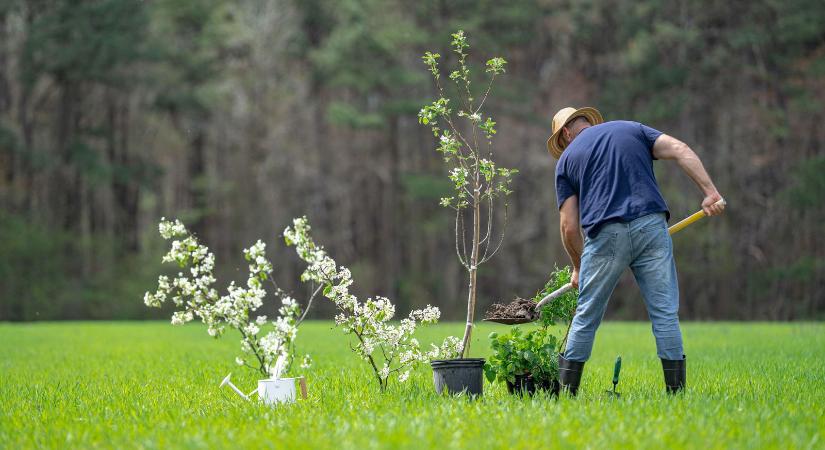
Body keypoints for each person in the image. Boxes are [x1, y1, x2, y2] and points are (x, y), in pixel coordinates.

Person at [546, 106, 725, 395]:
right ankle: (676, 394)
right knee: (665, 314)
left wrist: (579, 266)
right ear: (586, 122)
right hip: (651, 226)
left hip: (605, 235)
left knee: (586, 316)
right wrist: (710, 192)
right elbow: (680, 148)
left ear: (565, 133)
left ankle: (566, 395)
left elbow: (569, 227)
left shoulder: (567, 160)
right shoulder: (632, 129)